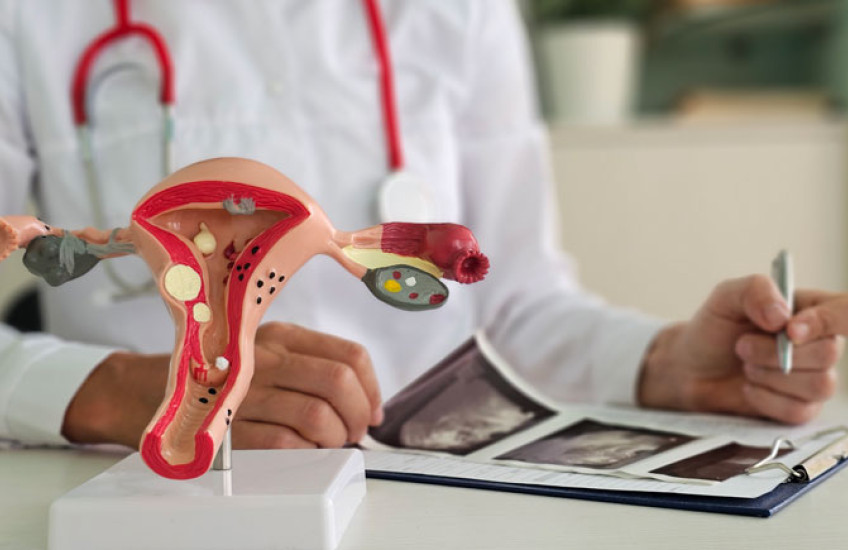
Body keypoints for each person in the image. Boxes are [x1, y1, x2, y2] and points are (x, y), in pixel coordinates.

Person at [0, 0, 843, 453]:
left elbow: (513, 305)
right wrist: (119, 391)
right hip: (155, 497)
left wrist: (667, 365)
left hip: (431, 503)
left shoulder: (460, 12)